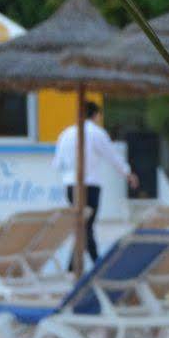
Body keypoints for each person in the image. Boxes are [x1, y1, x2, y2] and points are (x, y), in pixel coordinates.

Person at [52, 101, 136, 263]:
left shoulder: (66, 134)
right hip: (90, 185)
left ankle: (72, 265)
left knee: (81, 225)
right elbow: (112, 156)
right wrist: (128, 173)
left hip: (71, 185)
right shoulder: (97, 133)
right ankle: (97, 262)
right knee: (87, 225)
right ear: (96, 115)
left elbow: (56, 163)